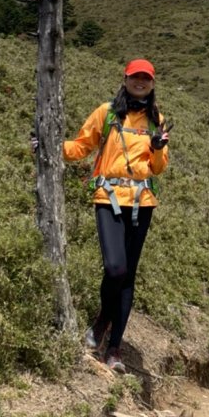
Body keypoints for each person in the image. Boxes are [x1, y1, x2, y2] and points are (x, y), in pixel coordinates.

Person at [63, 58, 170, 372]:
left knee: (127, 277)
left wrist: (157, 147)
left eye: (146, 79)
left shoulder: (156, 120)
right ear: (125, 79)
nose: (140, 82)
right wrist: (50, 146)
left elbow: (159, 169)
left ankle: (114, 349)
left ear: (152, 84)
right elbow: (81, 146)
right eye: (135, 77)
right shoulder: (106, 112)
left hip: (141, 201)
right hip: (107, 197)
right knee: (115, 267)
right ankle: (102, 321)